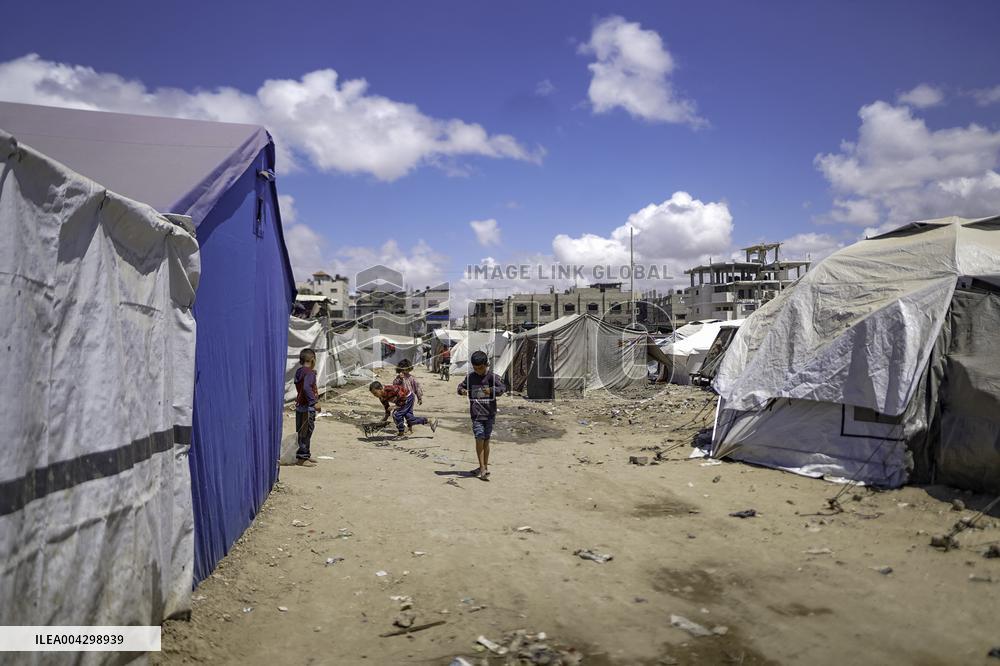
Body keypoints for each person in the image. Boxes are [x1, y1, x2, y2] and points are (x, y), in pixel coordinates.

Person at [457, 350, 506, 480]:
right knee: (479, 437)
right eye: (475, 368)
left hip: (489, 414)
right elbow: (460, 387)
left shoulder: (492, 377)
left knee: (486, 440)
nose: (478, 370)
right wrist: (461, 391)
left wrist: (491, 390)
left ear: (486, 364)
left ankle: (484, 466)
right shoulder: (470, 377)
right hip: (476, 415)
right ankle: (482, 467)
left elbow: (502, 388)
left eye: (481, 368)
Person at [370, 379, 436, 437]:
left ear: (381, 388)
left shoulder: (391, 389)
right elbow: (387, 408)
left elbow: (403, 397)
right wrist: (384, 419)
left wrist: (395, 406)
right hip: (403, 400)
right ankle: (430, 420)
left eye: (375, 393)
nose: (375, 395)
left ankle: (401, 432)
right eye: (373, 394)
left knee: (396, 414)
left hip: (407, 398)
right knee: (410, 419)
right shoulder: (381, 397)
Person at [393, 360, 438, 434]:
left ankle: (402, 430)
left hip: (408, 399)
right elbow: (395, 385)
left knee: (397, 413)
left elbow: (417, 388)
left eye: (406, 369)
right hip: (402, 399)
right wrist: (400, 379)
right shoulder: (398, 378)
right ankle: (411, 428)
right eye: (403, 369)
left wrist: (419, 397)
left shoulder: (411, 378)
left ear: (409, 369)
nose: (404, 371)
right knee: (409, 415)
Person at [294, 348, 320, 466]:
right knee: (305, 432)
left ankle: (305, 454)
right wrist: (314, 402)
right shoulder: (309, 373)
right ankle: (302, 457)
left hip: (300, 406)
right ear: (312, 359)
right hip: (307, 407)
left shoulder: (299, 371)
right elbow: (306, 387)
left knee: (302, 431)